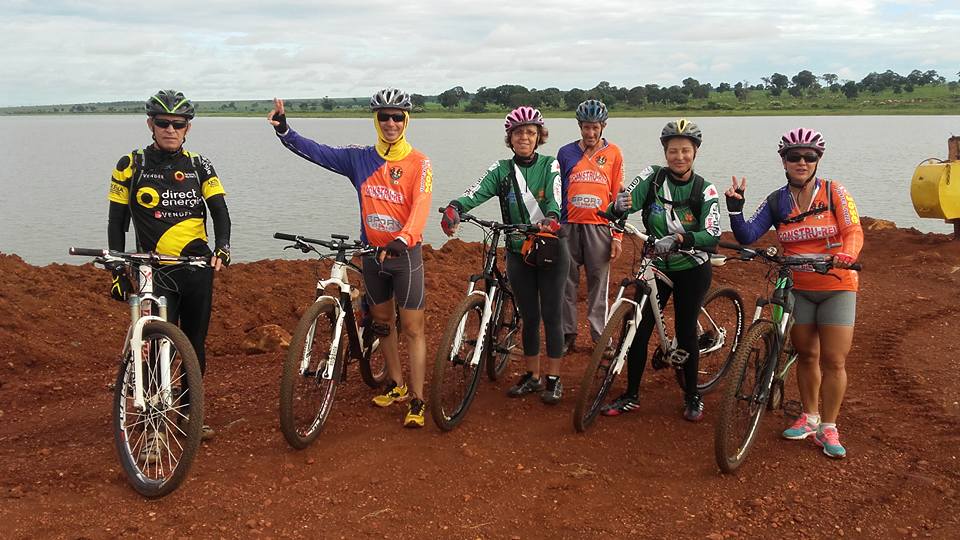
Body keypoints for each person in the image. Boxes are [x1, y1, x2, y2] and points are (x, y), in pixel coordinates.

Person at [268, 88, 432, 428]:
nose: (390, 123)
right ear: (375, 119)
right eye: (384, 116)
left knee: (414, 330)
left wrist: (403, 238)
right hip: (372, 255)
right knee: (384, 323)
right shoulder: (360, 158)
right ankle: (397, 385)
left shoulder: (420, 163)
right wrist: (285, 130)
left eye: (397, 117)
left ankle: (418, 399)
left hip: (405, 257)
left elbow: (421, 207)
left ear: (407, 120)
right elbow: (319, 153)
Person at [725, 127, 863, 458]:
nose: (801, 162)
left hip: (836, 286)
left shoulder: (834, 193)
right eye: (794, 157)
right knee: (807, 354)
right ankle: (809, 416)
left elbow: (853, 230)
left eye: (809, 157)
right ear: (783, 161)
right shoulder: (777, 200)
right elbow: (746, 235)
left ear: (818, 160)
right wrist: (734, 207)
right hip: (797, 286)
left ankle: (828, 426)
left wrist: (847, 254)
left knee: (833, 358)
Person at [107, 89, 232, 440]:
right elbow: (117, 221)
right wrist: (118, 268)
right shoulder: (130, 164)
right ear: (150, 124)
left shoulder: (199, 165)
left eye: (178, 124)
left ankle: (189, 413)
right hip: (153, 271)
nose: (170, 129)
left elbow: (220, 212)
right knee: (153, 346)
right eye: (163, 123)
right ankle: (151, 425)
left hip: (196, 270)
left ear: (188, 128)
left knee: (194, 346)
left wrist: (222, 248)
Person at [440, 106, 570, 404]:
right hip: (516, 251)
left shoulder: (550, 165)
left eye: (530, 132)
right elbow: (477, 191)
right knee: (529, 315)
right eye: (518, 133)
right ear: (509, 138)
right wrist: (455, 207)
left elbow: (555, 196)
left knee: (551, 314)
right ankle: (533, 376)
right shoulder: (500, 170)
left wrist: (550, 217)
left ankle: (554, 378)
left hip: (550, 247)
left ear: (539, 137)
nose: (524, 137)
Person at [601, 118, 720, 421]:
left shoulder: (705, 190)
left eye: (685, 151)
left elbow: (713, 234)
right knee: (639, 330)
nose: (679, 157)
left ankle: (693, 395)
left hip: (692, 266)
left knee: (684, 329)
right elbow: (629, 199)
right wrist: (618, 206)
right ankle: (631, 395)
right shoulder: (653, 178)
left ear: (695, 152)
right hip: (657, 263)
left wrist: (681, 237)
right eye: (672, 151)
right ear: (665, 153)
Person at [557, 99, 624, 355]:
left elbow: (619, 195)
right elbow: (557, 189)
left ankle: (600, 337)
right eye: (586, 127)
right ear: (579, 126)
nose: (590, 133)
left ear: (603, 126)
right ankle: (567, 334)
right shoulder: (565, 153)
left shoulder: (614, 154)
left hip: (599, 227)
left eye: (595, 127)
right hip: (569, 224)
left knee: (599, 284)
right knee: (566, 282)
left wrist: (616, 235)